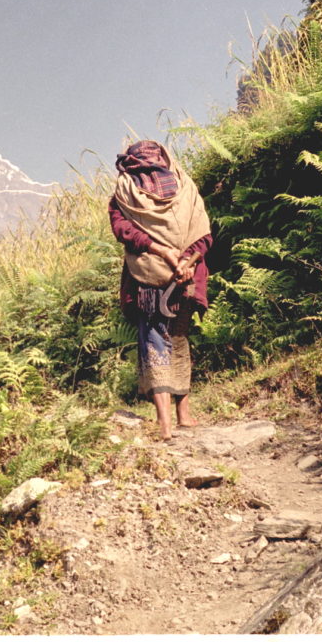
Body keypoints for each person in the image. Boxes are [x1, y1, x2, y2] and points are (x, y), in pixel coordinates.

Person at [108, 140, 212, 441]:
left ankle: (165, 424)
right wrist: (185, 261)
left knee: (155, 341)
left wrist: (161, 253)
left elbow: (123, 231)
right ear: (163, 157)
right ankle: (184, 416)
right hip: (186, 276)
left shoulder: (125, 191)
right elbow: (203, 233)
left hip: (147, 278)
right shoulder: (184, 185)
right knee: (179, 338)